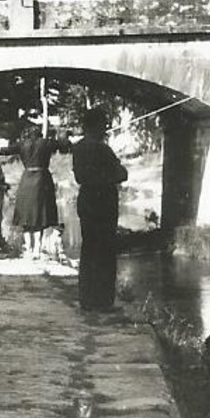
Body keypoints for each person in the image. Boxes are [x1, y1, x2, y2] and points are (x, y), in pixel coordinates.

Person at [71, 108, 128, 311]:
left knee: (89, 250)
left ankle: (87, 299)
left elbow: (79, 177)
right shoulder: (103, 149)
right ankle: (104, 301)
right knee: (105, 252)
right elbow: (122, 174)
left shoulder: (77, 148)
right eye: (103, 124)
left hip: (86, 200)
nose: (105, 128)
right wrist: (112, 172)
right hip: (104, 202)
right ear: (96, 126)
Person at [11, 122, 72, 260]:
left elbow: (6, 150)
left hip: (26, 180)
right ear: (39, 134)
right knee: (40, 215)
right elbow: (63, 145)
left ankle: (28, 249)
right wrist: (67, 138)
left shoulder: (22, 144)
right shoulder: (46, 143)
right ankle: (37, 250)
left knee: (26, 216)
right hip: (42, 180)